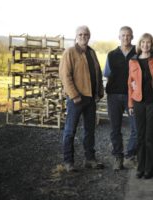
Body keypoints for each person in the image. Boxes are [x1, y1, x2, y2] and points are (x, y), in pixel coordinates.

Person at [59, 25, 104, 172]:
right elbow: (65, 76)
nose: (83, 36)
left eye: (86, 34)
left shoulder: (91, 52)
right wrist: (74, 95)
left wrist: (99, 92)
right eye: (80, 34)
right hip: (76, 99)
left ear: (89, 36)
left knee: (89, 130)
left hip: (90, 98)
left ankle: (89, 159)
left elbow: (97, 73)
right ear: (76, 37)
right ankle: (68, 162)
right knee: (70, 131)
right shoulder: (70, 52)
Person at [103, 26, 137, 170]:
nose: (125, 38)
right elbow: (107, 74)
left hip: (133, 96)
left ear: (132, 37)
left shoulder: (138, 53)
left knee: (136, 127)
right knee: (115, 128)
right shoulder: (111, 54)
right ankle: (118, 157)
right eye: (123, 35)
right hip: (114, 96)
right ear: (119, 37)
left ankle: (130, 155)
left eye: (128, 35)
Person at [128, 33, 153, 179]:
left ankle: (150, 168)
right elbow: (130, 84)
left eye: (148, 43)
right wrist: (130, 104)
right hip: (138, 102)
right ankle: (140, 167)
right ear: (139, 44)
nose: (145, 45)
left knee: (150, 136)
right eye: (143, 42)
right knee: (140, 136)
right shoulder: (133, 61)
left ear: (151, 44)